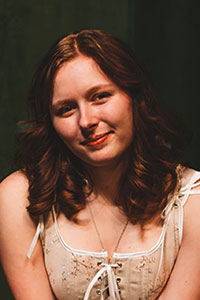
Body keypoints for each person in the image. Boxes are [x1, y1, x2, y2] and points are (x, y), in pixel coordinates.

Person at [0, 29, 200, 300]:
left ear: (134, 97)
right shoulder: (18, 198)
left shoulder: (192, 202)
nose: (86, 121)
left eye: (100, 96)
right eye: (66, 109)